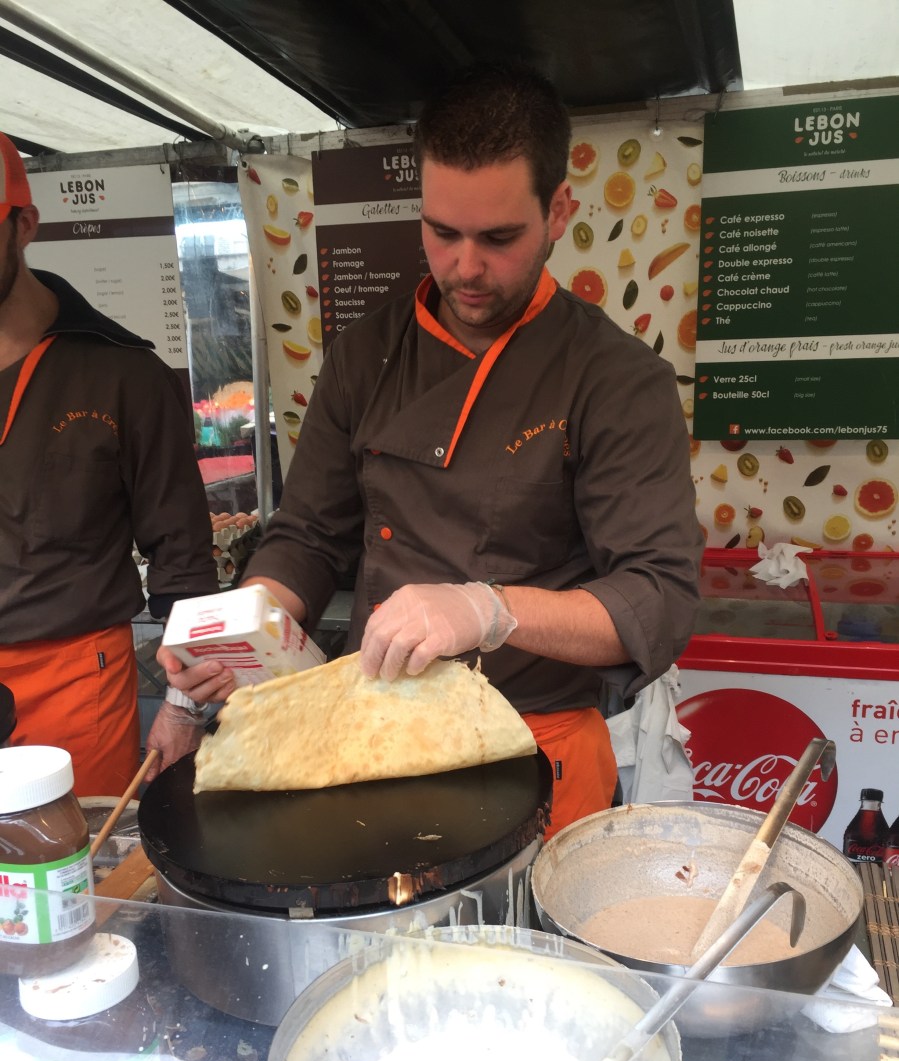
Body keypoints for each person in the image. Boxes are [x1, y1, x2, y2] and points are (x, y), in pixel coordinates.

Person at [159, 62, 704, 835]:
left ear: (558, 211)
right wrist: (244, 626)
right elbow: (308, 534)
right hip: (375, 735)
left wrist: (488, 610)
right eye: (441, 233)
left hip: (535, 744)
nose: (465, 266)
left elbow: (658, 597)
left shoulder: (613, 378)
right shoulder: (365, 354)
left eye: (498, 238)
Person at [0, 131, 218, 796]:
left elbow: (182, 552)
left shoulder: (123, 375)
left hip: (72, 681)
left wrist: (182, 707)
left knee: (73, 857)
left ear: (23, 225)